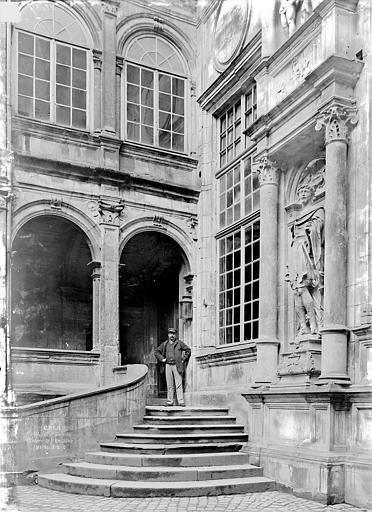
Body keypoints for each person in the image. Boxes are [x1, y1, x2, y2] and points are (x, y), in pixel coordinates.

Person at [285, 184, 324, 335]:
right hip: (295, 250)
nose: (302, 194)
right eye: (300, 191)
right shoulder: (297, 215)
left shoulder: (317, 210)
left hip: (305, 251)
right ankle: (303, 326)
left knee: (302, 288)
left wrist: (311, 229)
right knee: (295, 291)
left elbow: (318, 227)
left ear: (312, 194)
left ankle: (314, 325)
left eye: (306, 191)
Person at [154, 328, 191, 406]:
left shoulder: (179, 343)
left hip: (177, 365)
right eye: (170, 333)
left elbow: (188, 350)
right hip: (168, 365)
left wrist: (183, 359)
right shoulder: (165, 344)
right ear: (168, 334)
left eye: (173, 334)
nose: (172, 335)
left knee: (178, 384)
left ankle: (181, 402)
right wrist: (162, 359)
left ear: (175, 335)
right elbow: (156, 351)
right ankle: (170, 402)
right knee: (169, 384)